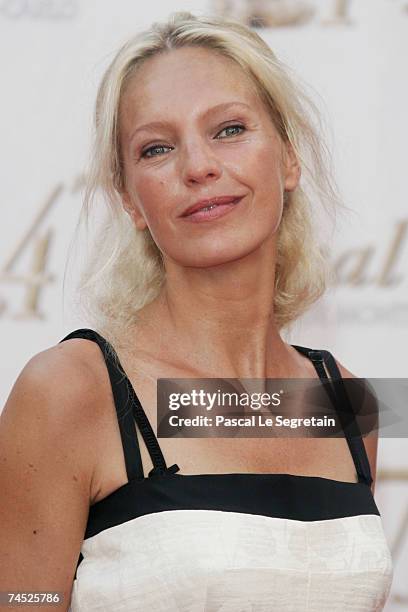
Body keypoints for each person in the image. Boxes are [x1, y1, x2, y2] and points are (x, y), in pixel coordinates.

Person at [0, 10, 393, 611]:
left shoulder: (343, 400)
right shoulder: (72, 390)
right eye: (157, 148)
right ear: (130, 199)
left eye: (230, 130)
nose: (198, 167)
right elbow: (21, 600)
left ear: (289, 158)